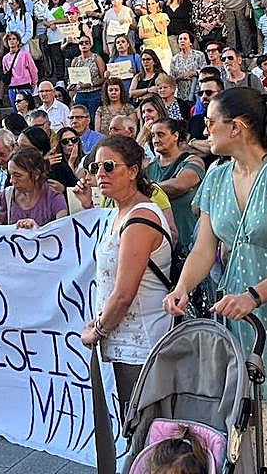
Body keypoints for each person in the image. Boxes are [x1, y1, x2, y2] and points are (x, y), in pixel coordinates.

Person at [165, 88, 267, 473]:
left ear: (237, 128)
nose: (204, 130)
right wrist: (182, 287)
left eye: (210, 123)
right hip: (233, 314)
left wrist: (253, 297)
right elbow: (204, 249)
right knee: (242, 419)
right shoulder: (217, 176)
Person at [82, 135, 173, 410]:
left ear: (133, 171)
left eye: (108, 166)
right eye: (95, 167)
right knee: (133, 425)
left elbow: (123, 294)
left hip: (142, 344)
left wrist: (97, 330)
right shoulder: (118, 213)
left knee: (146, 430)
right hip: (126, 341)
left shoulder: (141, 217)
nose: (100, 174)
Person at [145, 118, 205, 253]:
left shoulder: (193, 160)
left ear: (175, 136)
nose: (155, 140)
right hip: (158, 247)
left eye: (161, 134)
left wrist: (147, 188)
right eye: (153, 135)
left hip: (189, 246)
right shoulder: (148, 167)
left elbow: (180, 185)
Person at [0, 146, 68, 228]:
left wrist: (37, 230)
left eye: (18, 176)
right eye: (10, 175)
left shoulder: (55, 198)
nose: (12, 181)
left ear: (36, 174)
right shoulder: (7, 195)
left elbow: (62, 231)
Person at [169, 32, 206, 104]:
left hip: (197, 93)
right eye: (180, 39)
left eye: (185, 39)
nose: (182, 41)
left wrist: (194, 73)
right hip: (181, 95)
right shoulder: (174, 59)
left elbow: (205, 71)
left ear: (190, 43)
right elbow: (171, 79)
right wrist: (180, 77)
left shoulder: (199, 55)